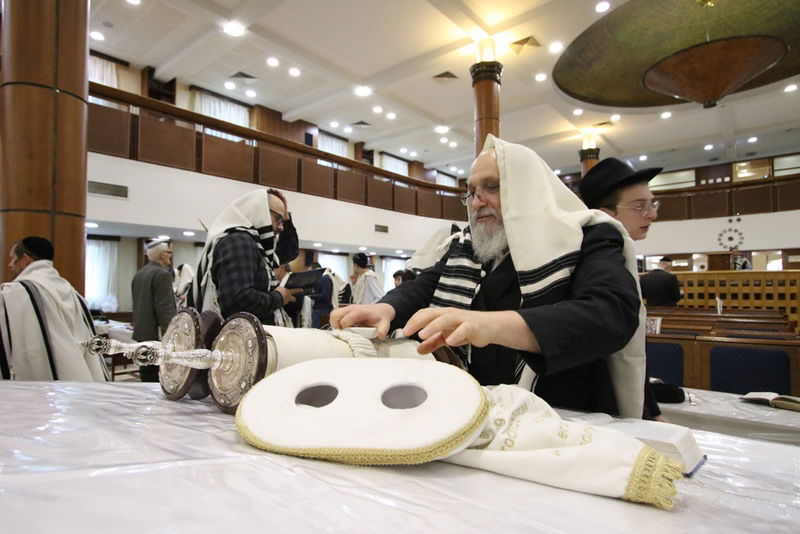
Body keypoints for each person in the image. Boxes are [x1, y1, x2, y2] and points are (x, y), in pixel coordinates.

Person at [332, 136, 645, 418]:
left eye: (492, 187)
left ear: (527, 190)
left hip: (559, 414)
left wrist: (490, 324)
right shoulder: (468, 244)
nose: (477, 200)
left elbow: (611, 313)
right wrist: (385, 308)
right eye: (470, 192)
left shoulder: (585, 236)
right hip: (471, 410)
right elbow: (424, 285)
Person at [580, 157, 670, 422]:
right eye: (640, 206)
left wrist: (652, 412)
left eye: (652, 204)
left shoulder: (620, 254)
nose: (652, 214)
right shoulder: (596, 261)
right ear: (607, 214)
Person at [0, 236, 107, 381]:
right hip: (79, 373)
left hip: (38, 380)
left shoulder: (15, 292)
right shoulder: (72, 291)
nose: (10, 264)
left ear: (25, 259)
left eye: (13, 258)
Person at [190, 188, 302, 326]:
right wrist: (279, 297)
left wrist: (286, 215)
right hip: (240, 340)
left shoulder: (254, 244)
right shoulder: (239, 241)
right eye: (278, 219)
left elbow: (289, 251)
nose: (281, 227)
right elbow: (238, 301)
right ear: (260, 212)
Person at [132, 239, 178, 382]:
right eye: (168, 252)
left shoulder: (139, 274)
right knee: (157, 378)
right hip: (155, 335)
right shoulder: (162, 275)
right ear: (161, 255)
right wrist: (171, 336)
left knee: (145, 372)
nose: (170, 256)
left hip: (141, 332)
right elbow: (165, 308)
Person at [308, 262, 334, 328]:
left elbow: (325, 296)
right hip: (320, 310)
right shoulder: (322, 278)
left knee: (316, 332)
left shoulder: (324, 278)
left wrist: (310, 296)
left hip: (322, 310)